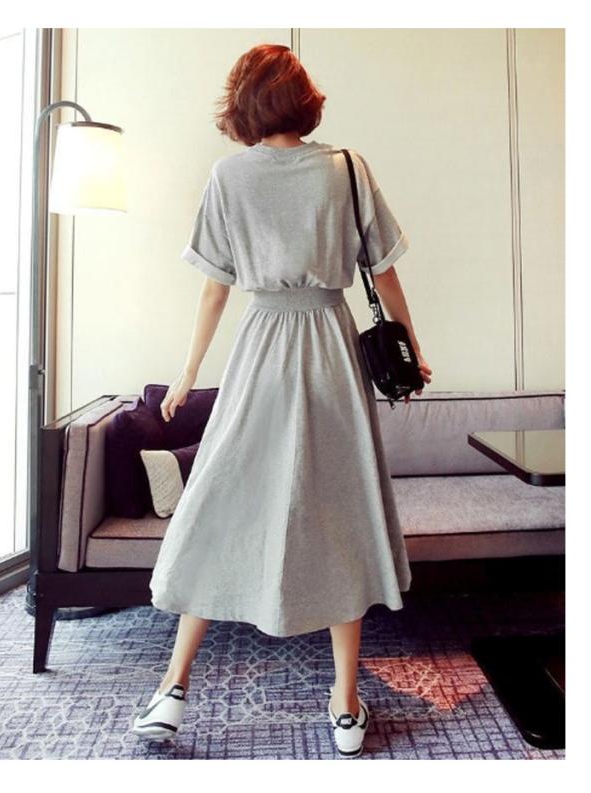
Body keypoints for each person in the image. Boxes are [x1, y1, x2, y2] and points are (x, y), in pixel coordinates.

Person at [132, 43, 432, 757]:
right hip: (330, 346)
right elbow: (385, 274)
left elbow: (215, 288)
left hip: (261, 347)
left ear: (242, 102)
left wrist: (188, 371)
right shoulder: (346, 168)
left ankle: (173, 689)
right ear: (304, 98)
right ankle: (345, 703)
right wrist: (411, 349)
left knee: (222, 502)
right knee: (341, 511)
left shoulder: (229, 176)